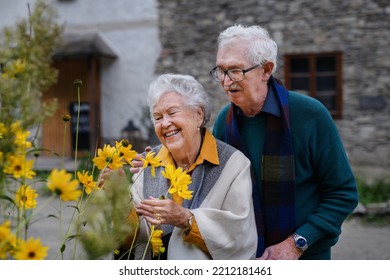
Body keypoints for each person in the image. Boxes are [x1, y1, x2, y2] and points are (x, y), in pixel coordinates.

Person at [209, 24, 359, 260]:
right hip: (245, 256)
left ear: (266, 70)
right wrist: (158, 166)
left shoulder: (310, 115)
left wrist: (296, 244)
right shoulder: (224, 124)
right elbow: (211, 187)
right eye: (221, 71)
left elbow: (343, 193)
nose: (226, 82)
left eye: (236, 71)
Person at [112, 73, 257, 260]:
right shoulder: (149, 164)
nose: (165, 123)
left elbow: (239, 237)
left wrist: (186, 219)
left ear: (198, 114)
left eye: (172, 113)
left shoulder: (234, 164)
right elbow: (133, 238)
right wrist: (119, 199)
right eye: (157, 117)